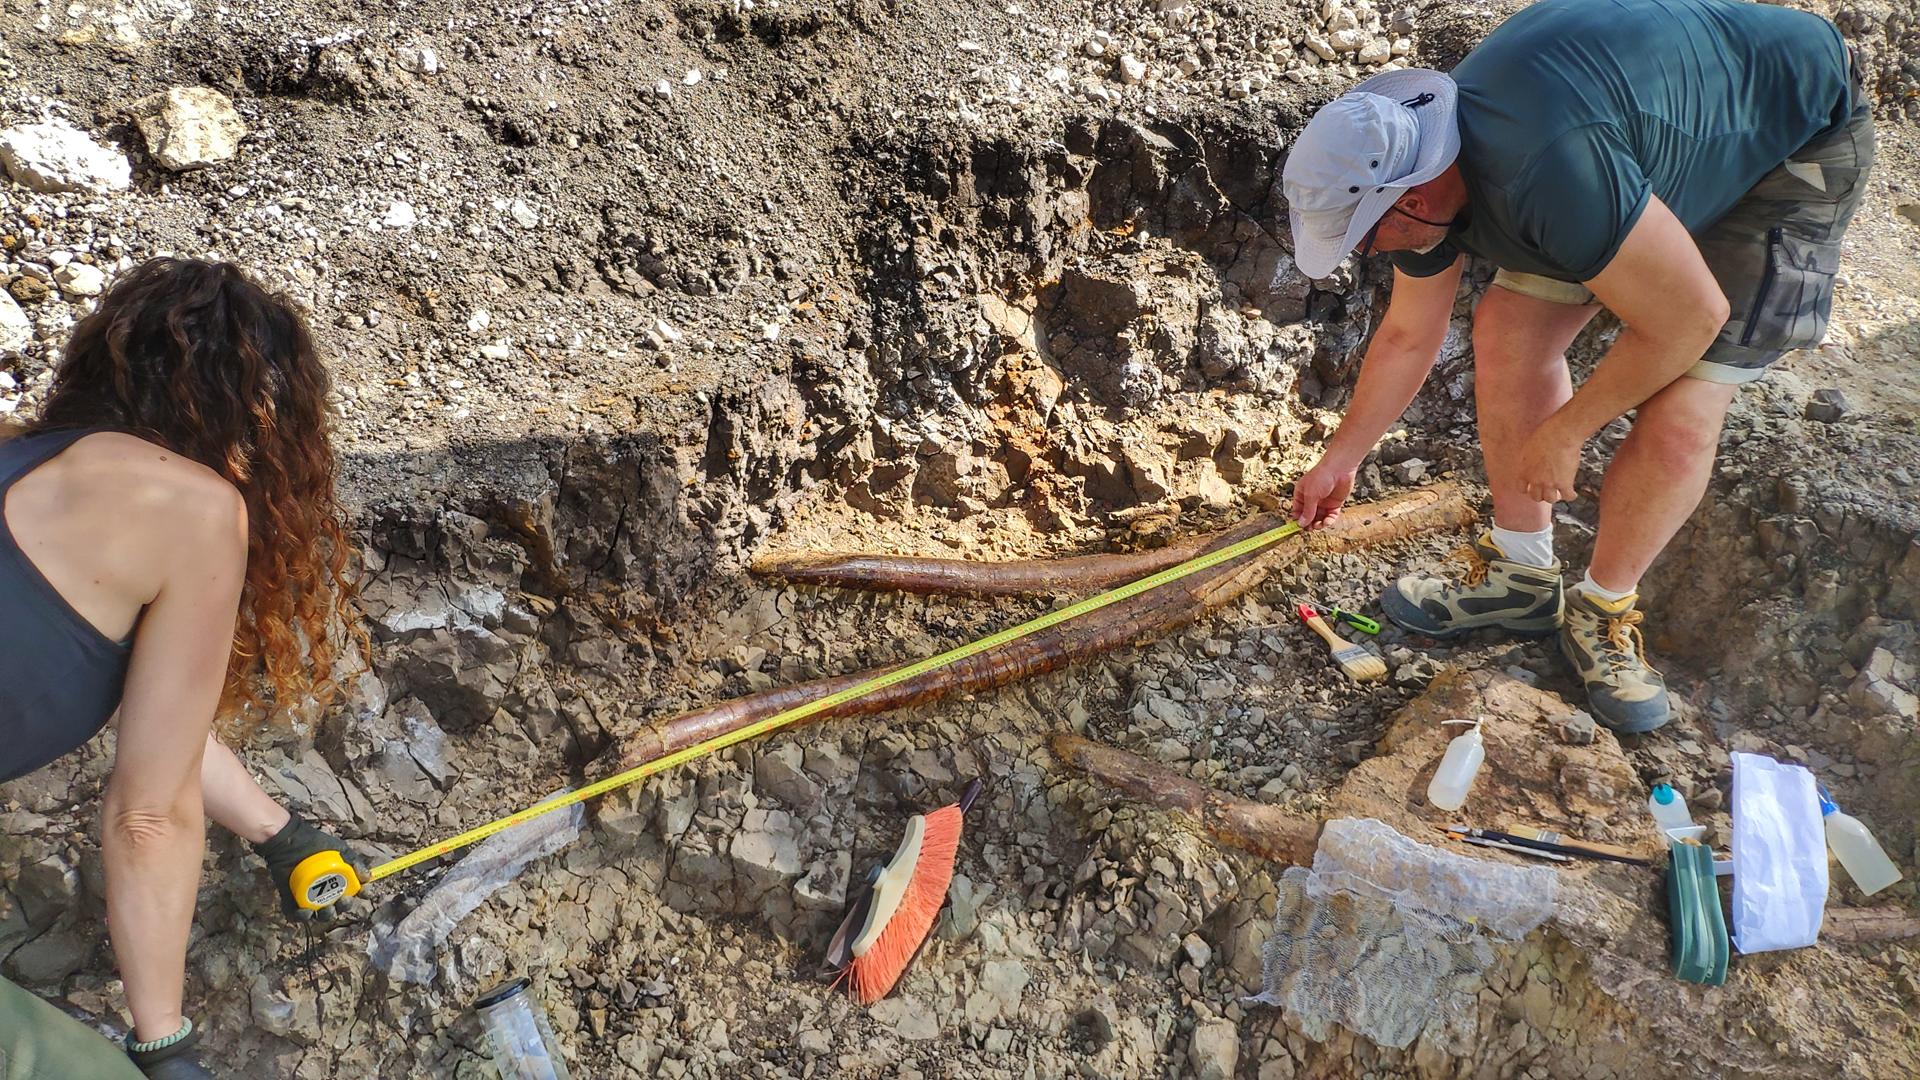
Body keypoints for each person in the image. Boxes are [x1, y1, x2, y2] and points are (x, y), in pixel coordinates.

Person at [1282, 0, 1871, 733]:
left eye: (1368, 233)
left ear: (1419, 194)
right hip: (1638, 143)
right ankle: (1523, 577)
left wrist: (1569, 431)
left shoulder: (1546, 170)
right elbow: (1408, 333)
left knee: (1684, 400)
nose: (1368, 250)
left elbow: (1690, 320)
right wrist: (1344, 457)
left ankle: (1606, 609)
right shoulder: (1423, 170)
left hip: (1790, 139)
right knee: (1508, 327)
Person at [1, 258, 371, 1078]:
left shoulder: (18, 452)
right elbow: (148, 814)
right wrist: (164, 1045)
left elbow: (158, 729)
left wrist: (283, 836)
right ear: (255, 417)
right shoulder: (195, 508)